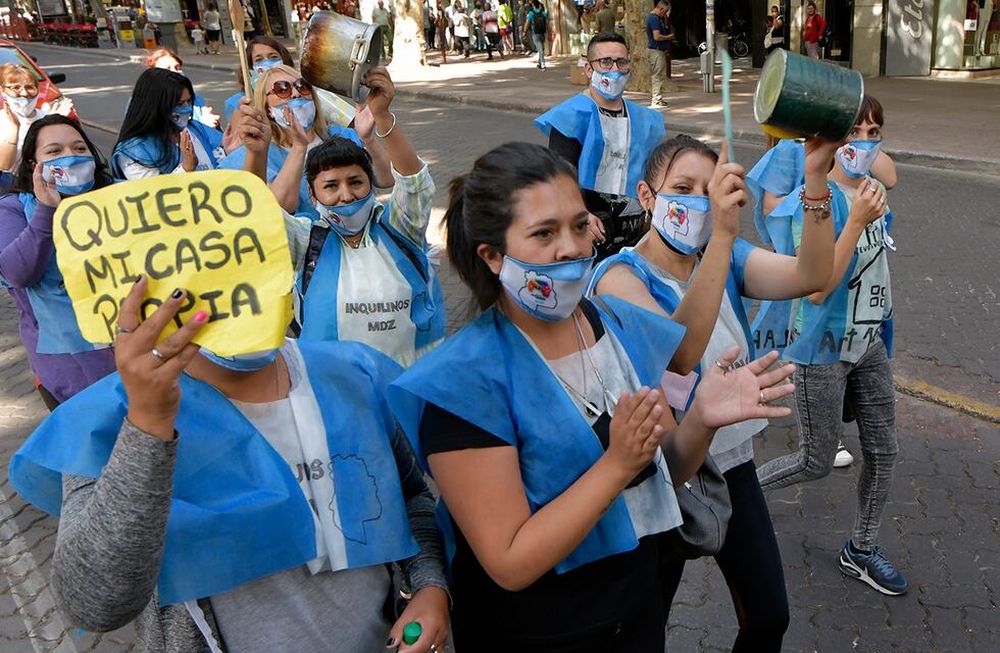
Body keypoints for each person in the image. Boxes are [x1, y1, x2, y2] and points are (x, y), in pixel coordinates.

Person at [387, 141, 796, 652]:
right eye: (544, 233)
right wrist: (616, 463)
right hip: (538, 632)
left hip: (635, 615)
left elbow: (665, 468)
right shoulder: (465, 383)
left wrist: (702, 420)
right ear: (492, 256)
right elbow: (510, 561)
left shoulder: (616, 325)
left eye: (580, 226)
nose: (572, 248)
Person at [9, 271, 451, 652]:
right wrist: (147, 424)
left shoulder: (350, 375)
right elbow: (95, 603)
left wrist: (429, 584)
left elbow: (410, 496)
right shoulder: (107, 423)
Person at [588, 134, 839, 650]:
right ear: (647, 194)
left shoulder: (721, 257)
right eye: (682, 188)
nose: (699, 203)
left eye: (710, 190)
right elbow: (679, 354)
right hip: (658, 471)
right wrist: (722, 238)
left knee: (768, 615)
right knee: (644, 627)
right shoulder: (618, 276)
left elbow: (813, 275)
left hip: (730, 459)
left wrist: (815, 179)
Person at [754, 96, 908, 597]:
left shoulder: (873, 187)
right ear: (831, 139)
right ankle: (738, 491)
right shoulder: (815, 202)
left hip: (867, 342)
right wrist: (859, 218)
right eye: (853, 132)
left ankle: (860, 550)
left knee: (884, 453)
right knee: (816, 461)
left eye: (873, 132)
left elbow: (887, 170)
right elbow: (816, 287)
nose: (863, 142)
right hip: (819, 347)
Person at [240, 67, 444, 367]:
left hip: (411, 386)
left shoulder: (400, 228)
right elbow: (257, 219)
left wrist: (383, 116)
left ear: (370, 183)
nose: (346, 196)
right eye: (331, 187)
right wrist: (256, 154)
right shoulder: (305, 240)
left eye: (356, 182)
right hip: (339, 391)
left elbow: (413, 182)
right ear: (312, 195)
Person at [0, 115, 116, 409]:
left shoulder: (117, 197)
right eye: (54, 152)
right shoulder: (12, 209)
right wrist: (46, 211)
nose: (71, 157)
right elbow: (17, 272)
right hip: (69, 369)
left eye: (79, 149)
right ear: (33, 165)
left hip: (137, 353)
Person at [535, 32, 664, 260]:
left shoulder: (645, 120)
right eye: (605, 62)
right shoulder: (571, 116)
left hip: (639, 235)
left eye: (621, 62)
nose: (613, 69)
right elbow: (558, 178)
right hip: (591, 232)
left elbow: (655, 172)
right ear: (588, 69)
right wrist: (580, 214)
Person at [221, 64, 391, 219]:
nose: (295, 93)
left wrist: (368, 139)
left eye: (302, 86)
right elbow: (282, 208)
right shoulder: (259, 154)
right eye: (282, 89)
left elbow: (385, 180)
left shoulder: (340, 135)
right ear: (268, 109)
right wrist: (299, 146)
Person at [111, 69, 224, 179]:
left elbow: (219, 163)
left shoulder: (196, 128)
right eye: (180, 103)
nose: (187, 108)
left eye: (189, 101)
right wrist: (186, 168)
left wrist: (227, 149)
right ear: (155, 107)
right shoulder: (134, 152)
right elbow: (152, 193)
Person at [143, 48, 221, 130]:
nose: (175, 72)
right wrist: (203, 127)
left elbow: (214, 137)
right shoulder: (147, 104)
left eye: (177, 67)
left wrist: (214, 125)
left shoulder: (196, 100)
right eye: (167, 69)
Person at [646, 0, 673, 109]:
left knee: (659, 75)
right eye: (665, 11)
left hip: (657, 50)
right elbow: (657, 36)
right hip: (656, 51)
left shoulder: (657, 18)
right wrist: (669, 37)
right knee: (658, 75)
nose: (665, 14)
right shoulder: (654, 19)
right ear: (661, 9)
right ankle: (656, 99)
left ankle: (657, 98)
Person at [526, 0, 548, 69]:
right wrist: (549, 31)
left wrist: (524, 31)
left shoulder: (531, 13)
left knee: (540, 49)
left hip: (535, 33)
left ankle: (542, 64)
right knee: (541, 49)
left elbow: (527, 24)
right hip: (543, 33)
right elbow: (547, 24)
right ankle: (540, 63)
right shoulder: (543, 13)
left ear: (533, 5)